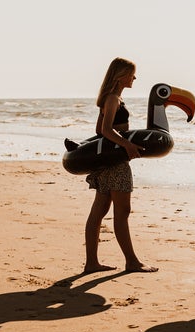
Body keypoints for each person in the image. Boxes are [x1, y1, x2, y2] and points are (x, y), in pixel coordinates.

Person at [82, 57, 158, 274]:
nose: (135, 77)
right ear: (121, 75)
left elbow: (99, 129)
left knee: (99, 211)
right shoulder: (113, 98)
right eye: (132, 73)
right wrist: (127, 145)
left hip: (107, 161)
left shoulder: (109, 98)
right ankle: (132, 262)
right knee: (122, 210)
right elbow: (106, 130)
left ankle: (91, 263)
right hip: (115, 162)